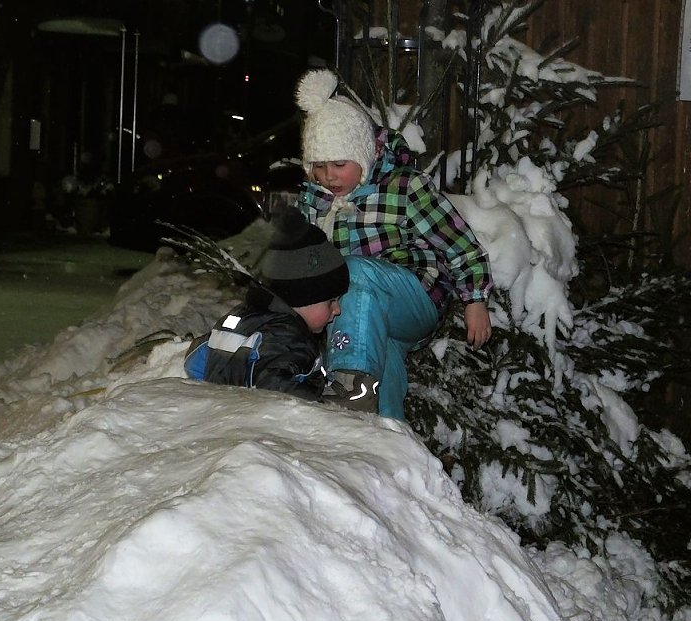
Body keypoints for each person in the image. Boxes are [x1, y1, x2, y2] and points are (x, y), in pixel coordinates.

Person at [294, 69, 494, 420]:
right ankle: (383, 439)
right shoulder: (314, 202)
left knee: (353, 272)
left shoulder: (403, 188)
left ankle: (347, 385)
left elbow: (460, 244)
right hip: (358, 315)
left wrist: (475, 300)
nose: (328, 176)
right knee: (381, 383)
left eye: (339, 164)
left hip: (413, 299)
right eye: (318, 166)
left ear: (364, 154)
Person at [184, 212, 349, 403]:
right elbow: (275, 391)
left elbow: (195, 360)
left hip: (225, 412)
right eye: (331, 301)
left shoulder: (240, 318)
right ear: (301, 300)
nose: (337, 310)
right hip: (259, 418)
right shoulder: (289, 338)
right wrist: (321, 407)